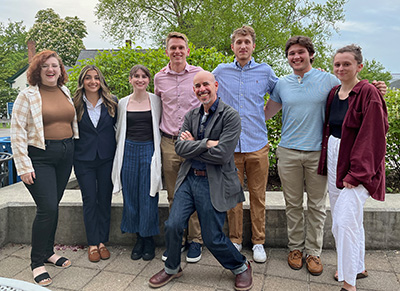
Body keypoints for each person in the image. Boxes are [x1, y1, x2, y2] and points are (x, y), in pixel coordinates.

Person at [264, 36, 387, 276]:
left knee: (318, 206)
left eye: (301, 52)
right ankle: (295, 249)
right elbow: (267, 113)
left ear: (310, 54)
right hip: (288, 151)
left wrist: (377, 90)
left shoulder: (329, 79)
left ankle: (313, 252)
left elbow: (353, 89)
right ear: (287, 58)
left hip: (318, 154)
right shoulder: (282, 84)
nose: (296, 57)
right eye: (291, 53)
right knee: (292, 205)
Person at [149, 71, 253, 291]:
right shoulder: (191, 115)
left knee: (212, 237)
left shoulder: (230, 116)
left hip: (212, 182)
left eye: (205, 84)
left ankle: (241, 266)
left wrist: (193, 145)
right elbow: (179, 148)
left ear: (215, 85)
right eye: (197, 86)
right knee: (173, 225)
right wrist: (206, 144)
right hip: (189, 180)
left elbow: (223, 154)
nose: (201, 89)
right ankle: (172, 268)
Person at [318, 45, 388, 291]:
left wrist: (357, 173)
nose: (341, 68)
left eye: (346, 64)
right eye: (337, 64)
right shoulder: (334, 93)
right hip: (335, 156)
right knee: (350, 219)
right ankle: (356, 266)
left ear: (359, 66)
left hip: (359, 164)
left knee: (343, 222)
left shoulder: (369, 93)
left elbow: (373, 137)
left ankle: (349, 283)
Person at [11, 50, 78, 286]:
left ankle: (49, 252)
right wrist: (23, 166)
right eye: (45, 66)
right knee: (47, 207)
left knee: (53, 206)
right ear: (37, 70)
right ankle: (37, 261)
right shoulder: (27, 95)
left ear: (61, 70)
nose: (51, 70)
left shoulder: (64, 91)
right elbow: (17, 133)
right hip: (40, 157)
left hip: (65, 154)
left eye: (55, 66)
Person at [213, 25, 278, 263]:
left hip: (257, 145)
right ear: (232, 46)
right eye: (239, 42)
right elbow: (206, 92)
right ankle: (236, 239)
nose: (243, 46)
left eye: (247, 42)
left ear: (253, 46)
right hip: (230, 147)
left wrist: (263, 115)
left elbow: (280, 95)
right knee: (233, 197)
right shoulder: (220, 71)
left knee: (259, 196)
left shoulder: (265, 71)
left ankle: (259, 241)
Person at [154, 31, 204, 262]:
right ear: (167, 51)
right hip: (168, 143)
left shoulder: (198, 75)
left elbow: (209, 104)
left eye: (181, 47)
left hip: (192, 143)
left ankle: (196, 240)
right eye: (172, 47)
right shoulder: (158, 78)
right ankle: (178, 239)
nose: (177, 51)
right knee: (173, 195)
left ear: (187, 50)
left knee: (194, 192)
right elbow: (157, 107)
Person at [112, 65, 162, 261]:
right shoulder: (123, 103)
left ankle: (148, 238)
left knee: (149, 194)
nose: (140, 79)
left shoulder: (156, 101)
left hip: (149, 150)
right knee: (131, 194)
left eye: (144, 76)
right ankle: (137, 239)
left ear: (149, 80)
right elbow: (118, 129)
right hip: (128, 150)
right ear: (130, 79)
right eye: (136, 76)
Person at [73, 65, 118, 262]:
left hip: (107, 158)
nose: (93, 81)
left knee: (104, 198)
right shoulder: (74, 104)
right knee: (90, 199)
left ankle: (102, 242)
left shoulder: (112, 102)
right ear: (82, 81)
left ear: (101, 80)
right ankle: (92, 243)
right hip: (83, 159)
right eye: (88, 78)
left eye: (96, 78)